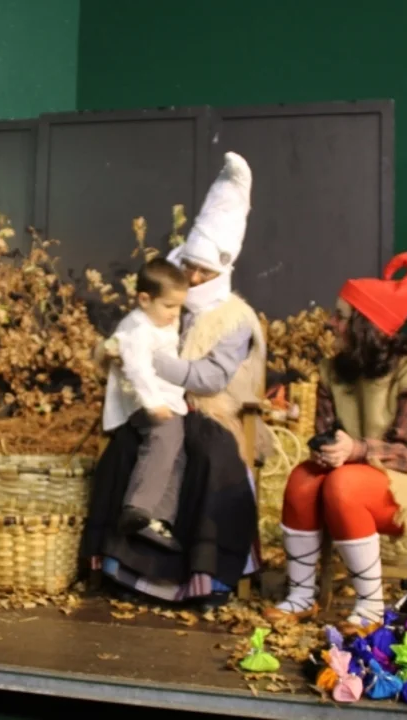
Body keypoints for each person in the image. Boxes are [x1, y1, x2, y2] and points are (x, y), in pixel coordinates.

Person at [81, 152, 273, 607]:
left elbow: (210, 377)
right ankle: (126, 567)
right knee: (128, 447)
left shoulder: (233, 318)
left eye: (205, 271)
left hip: (213, 409)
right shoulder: (169, 297)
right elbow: (133, 333)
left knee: (208, 453)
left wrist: (149, 361)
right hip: (165, 402)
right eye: (191, 265)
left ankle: (204, 578)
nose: (195, 276)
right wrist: (118, 352)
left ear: (222, 270)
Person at [266, 252, 407, 625]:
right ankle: (300, 595)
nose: (331, 323)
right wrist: (326, 450)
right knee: (302, 480)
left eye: (341, 317)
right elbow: (326, 430)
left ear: (365, 326)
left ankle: (370, 607)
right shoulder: (334, 370)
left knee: (344, 485)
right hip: (356, 465)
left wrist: (354, 451)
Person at [102, 258, 189, 552]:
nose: (175, 313)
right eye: (169, 306)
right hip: (143, 400)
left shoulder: (159, 320)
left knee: (175, 454)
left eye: (179, 307)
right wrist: (153, 403)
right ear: (144, 299)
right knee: (163, 440)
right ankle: (137, 507)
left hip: (165, 399)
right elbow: (137, 369)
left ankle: (157, 519)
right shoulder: (137, 329)